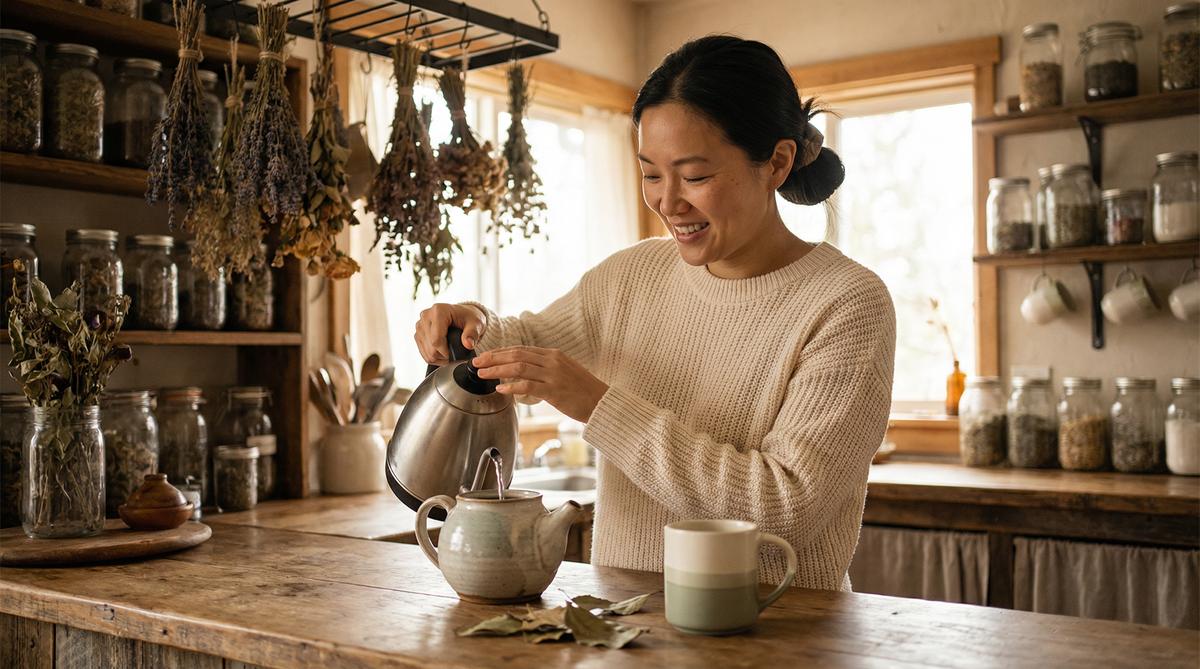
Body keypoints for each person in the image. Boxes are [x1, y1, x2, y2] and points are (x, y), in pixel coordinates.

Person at [415, 35, 895, 591]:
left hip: (777, 626)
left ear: (777, 162)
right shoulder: (633, 275)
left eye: (695, 176)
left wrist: (598, 406)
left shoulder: (847, 303)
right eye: (650, 174)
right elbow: (527, 341)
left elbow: (782, 509)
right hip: (622, 620)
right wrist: (470, 324)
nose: (668, 202)